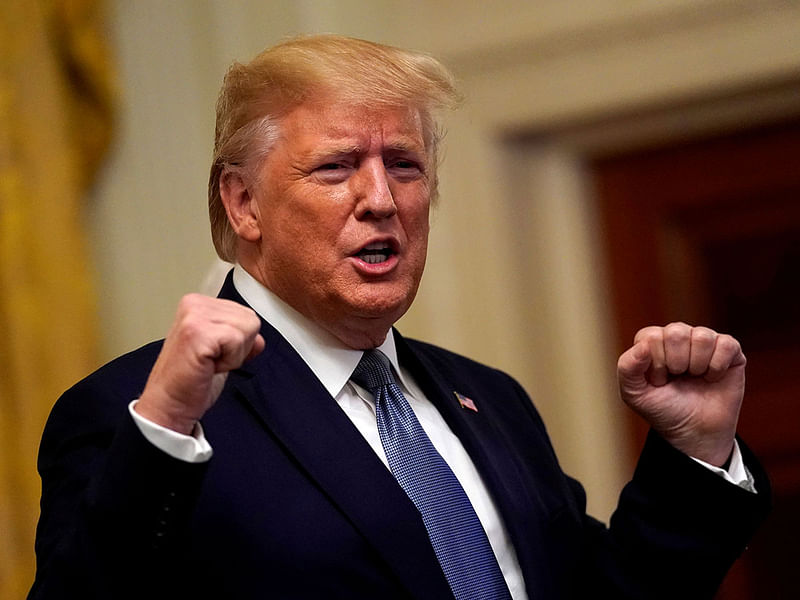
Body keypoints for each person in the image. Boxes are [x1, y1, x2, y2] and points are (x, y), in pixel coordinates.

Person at [29, 35, 770, 600]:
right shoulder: (143, 415)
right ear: (243, 202)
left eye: (406, 166)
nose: (381, 198)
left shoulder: (491, 400)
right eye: (336, 166)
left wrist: (696, 455)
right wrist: (162, 426)